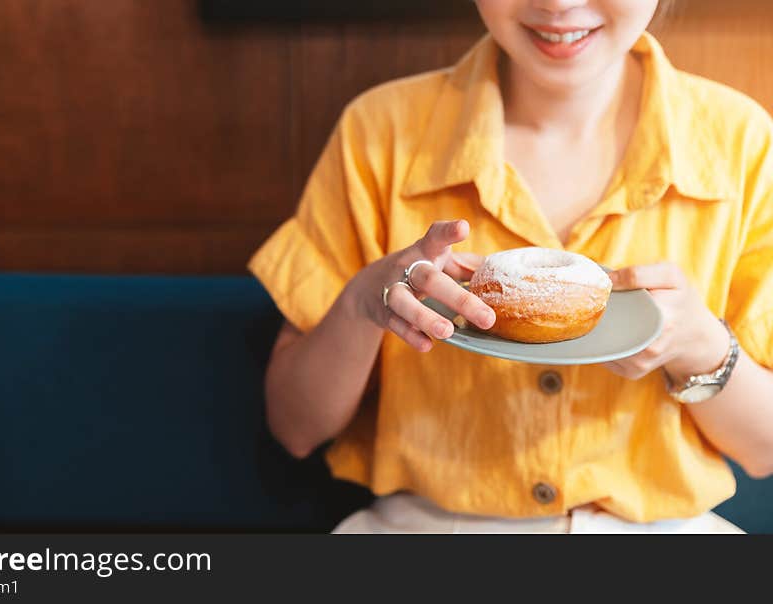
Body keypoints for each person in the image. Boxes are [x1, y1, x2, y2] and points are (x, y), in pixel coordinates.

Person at [247, 0, 773, 533]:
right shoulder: (379, 133)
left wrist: (704, 347)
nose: (559, 4)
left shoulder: (742, 144)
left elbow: (765, 451)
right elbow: (294, 428)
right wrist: (361, 304)